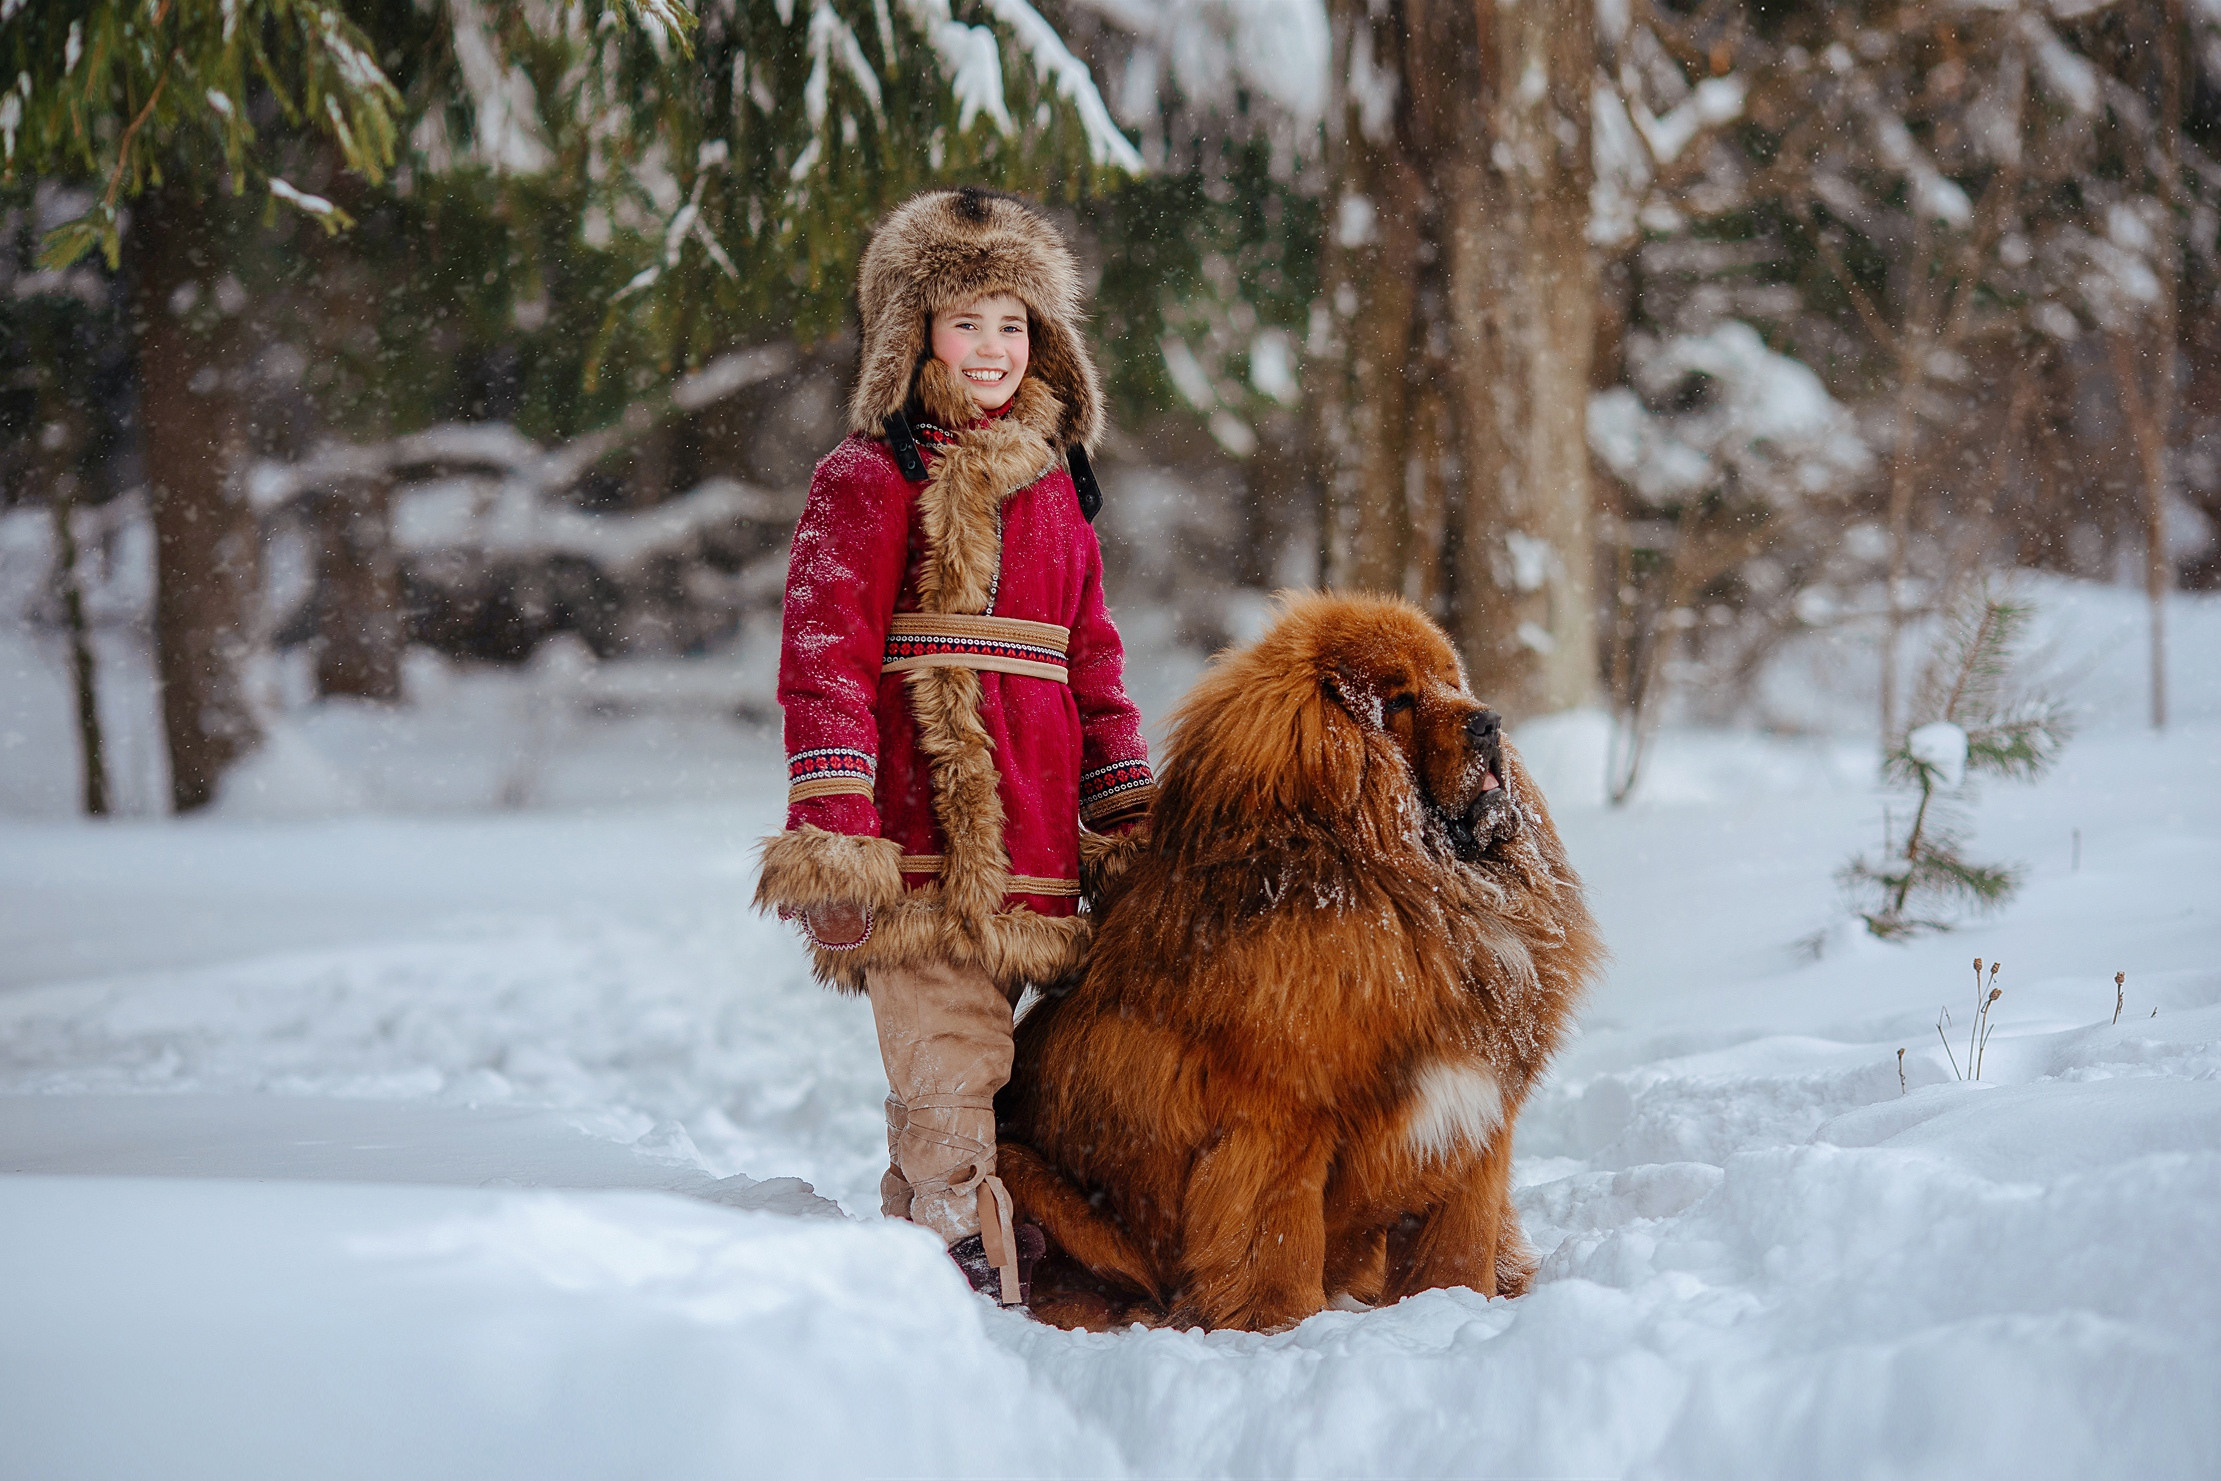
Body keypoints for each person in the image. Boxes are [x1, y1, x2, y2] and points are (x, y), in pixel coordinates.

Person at [753, 188, 1156, 1304]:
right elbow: (823, 659)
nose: (991, 348)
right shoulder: (867, 476)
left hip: (1037, 849)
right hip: (918, 845)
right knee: (949, 1065)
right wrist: (834, 831)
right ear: (909, 333)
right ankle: (954, 1266)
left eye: (1014, 323)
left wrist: (1127, 812)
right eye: (965, 321)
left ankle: (944, 1261)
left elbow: (1095, 663)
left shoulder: (1058, 488)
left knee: (1022, 1073)